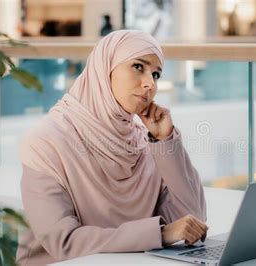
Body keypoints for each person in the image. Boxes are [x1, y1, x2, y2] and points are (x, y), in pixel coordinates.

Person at [15, 30, 207, 264]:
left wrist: (166, 142)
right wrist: (159, 234)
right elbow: (62, 241)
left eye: (156, 74)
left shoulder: (145, 143)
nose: (149, 84)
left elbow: (192, 220)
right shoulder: (47, 140)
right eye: (138, 67)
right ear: (104, 69)